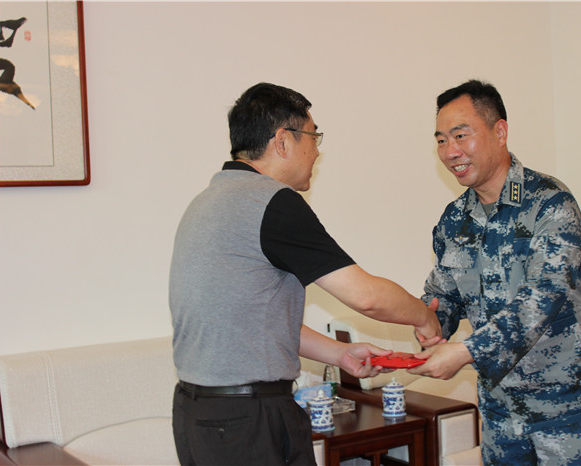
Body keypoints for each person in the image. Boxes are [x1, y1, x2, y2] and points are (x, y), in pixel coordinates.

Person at [168, 82, 441, 466]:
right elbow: (367, 297)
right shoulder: (271, 202)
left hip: (198, 415)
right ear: (283, 141)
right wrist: (423, 316)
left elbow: (253, 323)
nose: (317, 151)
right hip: (249, 420)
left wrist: (340, 353)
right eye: (314, 137)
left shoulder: (206, 202)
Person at [409, 80, 581, 465]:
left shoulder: (550, 203)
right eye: (441, 140)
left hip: (568, 411)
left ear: (500, 131)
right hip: (501, 414)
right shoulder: (454, 221)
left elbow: (541, 301)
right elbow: (444, 295)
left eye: (461, 135)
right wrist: (428, 322)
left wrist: (465, 352)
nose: (450, 151)